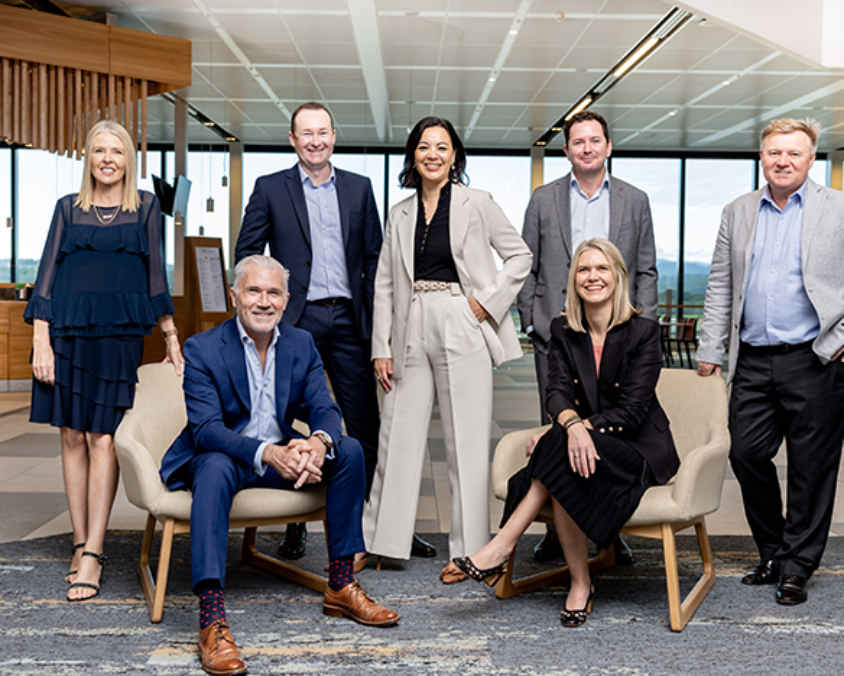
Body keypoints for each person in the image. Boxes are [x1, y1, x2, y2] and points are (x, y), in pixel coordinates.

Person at [159, 255, 398, 676]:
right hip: (228, 456)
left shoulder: (301, 343)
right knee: (213, 466)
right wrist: (269, 453)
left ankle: (341, 584)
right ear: (235, 296)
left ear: (286, 301)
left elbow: (324, 406)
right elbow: (207, 429)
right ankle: (211, 617)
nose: (263, 302)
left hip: (281, 456)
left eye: (273, 293)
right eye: (254, 291)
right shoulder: (203, 348)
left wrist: (318, 444)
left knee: (352, 451)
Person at [233, 103, 437, 561]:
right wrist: (268, 304)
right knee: (285, 421)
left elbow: (375, 261)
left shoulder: (360, 189)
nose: (315, 140)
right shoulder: (270, 189)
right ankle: (294, 523)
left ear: (333, 135)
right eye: (306, 133)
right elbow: (246, 256)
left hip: (350, 321)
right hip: (293, 323)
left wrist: (381, 326)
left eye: (322, 132)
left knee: (367, 427)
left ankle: (378, 528)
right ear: (292, 139)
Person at [453, 239, 678, 626]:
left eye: (602, 268)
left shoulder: (643, 331)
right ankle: (578, 583)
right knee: (564, 456)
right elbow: (556, 392)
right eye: (584, 270)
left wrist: (573, 428)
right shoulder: (563, 330)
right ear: (574, 280)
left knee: (558, 446)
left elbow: (633, 411)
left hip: (638, 449)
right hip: (584, 450)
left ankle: (503, 547)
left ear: (618, 277)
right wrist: (571, 428)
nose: (593, 277)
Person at [363, 116, 532, 582]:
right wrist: (382, 346)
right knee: (396, 433)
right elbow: (383, 284)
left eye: (441, 146)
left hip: (462, 317)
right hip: (409, 320)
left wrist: (487, 303)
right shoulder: (398, 212)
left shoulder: (478, 203)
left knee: (467, 439)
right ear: (412, 156)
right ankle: (382, 543)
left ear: (455, 154)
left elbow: (520, 255)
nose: (432, 154)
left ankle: (472, 550)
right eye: (423, 146)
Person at [24, 120, 183, 602]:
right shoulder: (67, 210)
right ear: (89, 158)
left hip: (118, 338)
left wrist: (171, 336)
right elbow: (46, 274)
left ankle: (94, 550)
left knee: (103, 438)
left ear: (128, 159)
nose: (108, 159)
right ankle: (79, 542)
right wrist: (41, 338)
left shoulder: (147, 207)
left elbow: (156, 274)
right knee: (72, 434)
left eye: (116, 151)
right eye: (99, 151)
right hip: (67, 333)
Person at [696, 118, 844, 606]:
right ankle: (775, 551)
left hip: (816, 359)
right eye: (774, 152)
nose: (782, 161)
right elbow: (720, 283)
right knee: (746, 454)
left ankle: (798, 566)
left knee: (810, 467)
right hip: (754, 361)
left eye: (793, 153)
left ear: (811, 158)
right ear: (762, 157)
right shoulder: (738, 211)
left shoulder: (838, 209)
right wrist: (710, 348)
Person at [517, 110, 658, 563]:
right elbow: (527, 263)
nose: (587, 148)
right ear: (567, 151)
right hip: (558, 334)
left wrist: (644, 329)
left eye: (595, 140)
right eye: (578, 142)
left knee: (613, 429)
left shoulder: (635, 200)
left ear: (608, 147)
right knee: (562, 419)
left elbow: (646, 269)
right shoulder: (544, 199)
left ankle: (609, 531)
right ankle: (560, 533)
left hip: (618, 333)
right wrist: (531, 320)